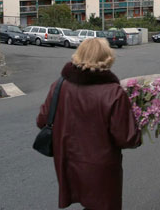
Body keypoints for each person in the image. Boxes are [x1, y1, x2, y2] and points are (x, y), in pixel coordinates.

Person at [37, 38, 142, 210]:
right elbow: (126, 138)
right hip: (101, 169)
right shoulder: (113, 93)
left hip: (68, 161)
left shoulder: (59, 85)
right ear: (107, 58)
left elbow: (42, 120)